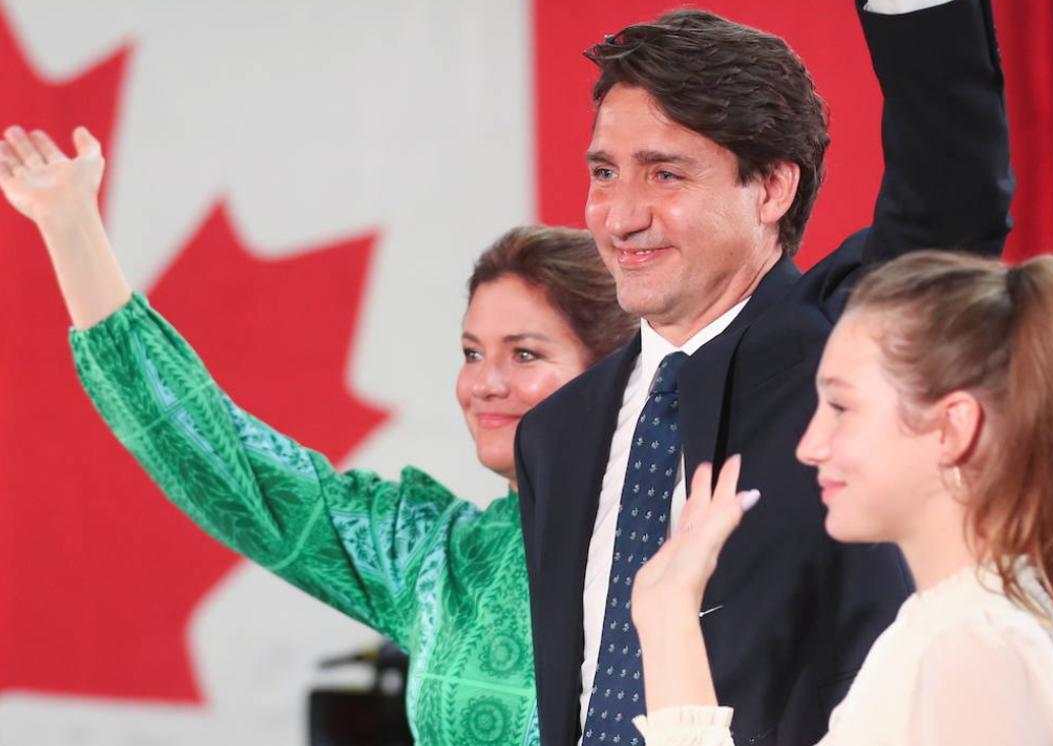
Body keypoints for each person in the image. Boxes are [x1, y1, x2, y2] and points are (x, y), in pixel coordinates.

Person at [0, 124, 636, 746]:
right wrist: (69, 223)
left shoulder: (695, 534)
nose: (484, 384)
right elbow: (228, 461)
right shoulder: (436, 559)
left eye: (524, 355)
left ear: (614, 375)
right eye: (472, 353)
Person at [514, 0, 1013, 743]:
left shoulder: (843, 344)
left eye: (665, 172)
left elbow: (952, 194)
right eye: (605, 172)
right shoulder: (555, 433)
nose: (620, 216)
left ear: (773, 186)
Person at [630, 250, 1053, 745]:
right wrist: (667, 616)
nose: (809, 445)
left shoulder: (975, 647)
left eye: (842, 408)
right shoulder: (942, 631)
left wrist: (670, 620)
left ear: (952, 428)